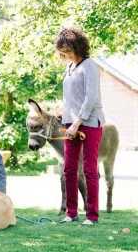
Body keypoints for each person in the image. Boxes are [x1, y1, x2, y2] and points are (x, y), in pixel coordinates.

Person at [55, 26, 105, 226]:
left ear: (78, 46)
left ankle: (92, 216)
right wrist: (63, 114)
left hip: (89, 122)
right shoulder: (69, 68)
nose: (66, 55)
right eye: (63, 52)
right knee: (69, 169)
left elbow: (90, 98)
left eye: (69, 51)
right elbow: (71, 98)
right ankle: (71, 213)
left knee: (90, 169)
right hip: (71, 123)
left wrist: (77, 123)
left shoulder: (90, 65)